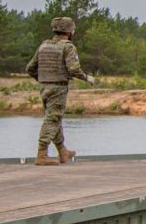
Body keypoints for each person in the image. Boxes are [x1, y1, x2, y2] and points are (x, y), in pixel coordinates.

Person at [25, 17, 96, 166]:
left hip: (44, 87)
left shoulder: (44, 45)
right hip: (58, 88)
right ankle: (42, 154)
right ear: (69, 32)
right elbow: (73, 69)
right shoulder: (68, 47)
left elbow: (30, 68)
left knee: (54, 118)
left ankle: (62, 151)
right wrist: (87, 78)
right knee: (53, 119)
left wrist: (43, 79)